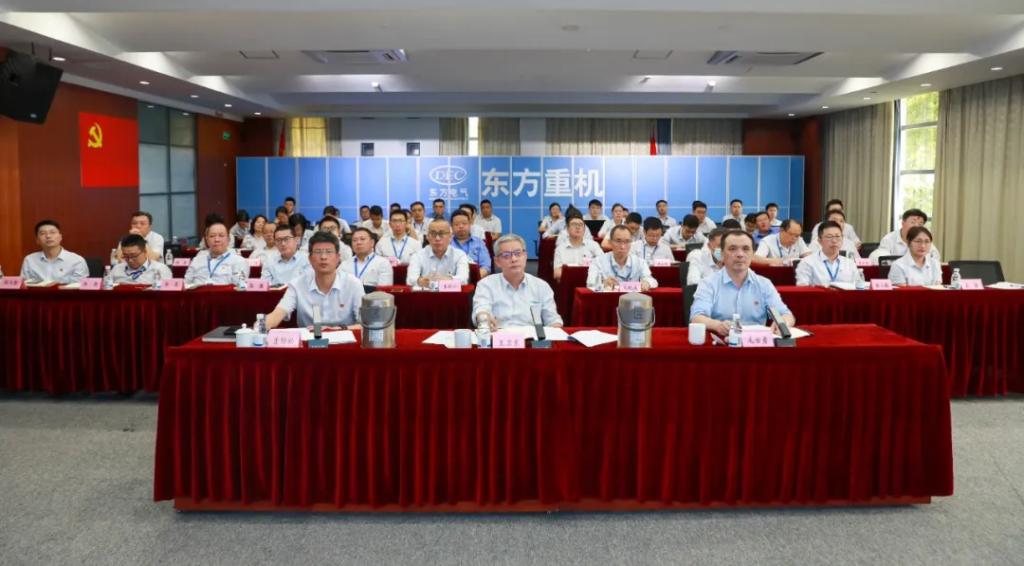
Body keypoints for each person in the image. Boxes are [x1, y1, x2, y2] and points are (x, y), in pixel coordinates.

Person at [690, 230, 795, 335]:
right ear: (722, 253)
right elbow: (696, 317)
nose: (740, 254)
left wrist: (783, 323)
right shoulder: (708, 283)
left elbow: (785, 314)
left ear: (753, 253)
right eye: (732, 249)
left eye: (746, 249)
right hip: (722, 341)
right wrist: (717, 325)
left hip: (756, 342)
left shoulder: (764, 284)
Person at [264, 232, 363, 330]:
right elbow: (277, 314)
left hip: (344, 337)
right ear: (310, 259)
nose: (323, 257)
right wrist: (262, 325)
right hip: (309, 338)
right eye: (318, 252)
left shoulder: (353, 284)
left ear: (338, 258)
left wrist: (338, 329)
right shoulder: (297, 284)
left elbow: (365, 325)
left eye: (329, 252)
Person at [473, 234, 563, 330]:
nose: (513, 259)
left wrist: (555, 327)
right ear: (497, 261)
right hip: (498, 335)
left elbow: (552, 319)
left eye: (518, 254)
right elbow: (481, 309)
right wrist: (484, 319)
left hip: (530, 337)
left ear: (525, 256)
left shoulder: (541, 286)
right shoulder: (486, 285)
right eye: (506, 255)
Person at [588, 225, 658, 291]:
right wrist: (602, 283)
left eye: (627, 241)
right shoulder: (598, 261)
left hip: (633, 298)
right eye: (618, 241)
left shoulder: (640, 262)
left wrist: (647, 283)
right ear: (610, 242)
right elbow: (590, 284)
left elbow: (652, 281)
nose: (622, 246)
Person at [20, 219, 88, 284]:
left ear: (60, 237)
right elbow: (24, 285)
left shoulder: (77, 261)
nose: (48, 236)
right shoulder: (29, 260)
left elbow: (78, 287)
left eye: (52, 232)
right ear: (37, 240)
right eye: (43, 233)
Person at [406, 219, 470, 286]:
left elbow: (463, 279)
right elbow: (410, 279)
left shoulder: (460, 255)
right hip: (426, 291)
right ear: (427, 237)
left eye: (441, 234)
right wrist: (420, 281)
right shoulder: (417, 255)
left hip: (450, 292)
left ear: (450, 237)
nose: (437, 238)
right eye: (433, 234)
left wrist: (445, 280)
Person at [184, 220, 249, 285]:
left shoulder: (239, 262)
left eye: (221, 236)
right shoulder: (197, 260)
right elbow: (185, 284)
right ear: (207, 240)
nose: (217, 240)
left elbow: (240, 287)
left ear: (228, 239)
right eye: (212, 236)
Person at [796, 221, 858, 286]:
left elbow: (859, 286)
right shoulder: (807, 262)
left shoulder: (850, 263)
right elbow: (803, 288)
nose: (834, 241)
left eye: (837, 236)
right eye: (829, 237)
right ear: (819, 241)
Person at [872, 208, 942, 263]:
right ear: (903, 223)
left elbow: (935, 257)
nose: (916, 226)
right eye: (913, 222)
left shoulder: (924, 240)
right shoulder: (889, 239)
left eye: (920, 224)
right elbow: (878, 257)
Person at [553, 214, 603, 281]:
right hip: (568, 283)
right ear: (567, 229)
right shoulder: (560, 248)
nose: (577, 227)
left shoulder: (593, 245)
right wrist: (582, 271)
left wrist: (571, 270)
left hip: (590, 283)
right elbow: (556, 274)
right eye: (574, 224)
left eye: (580, 225)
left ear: (584, 230)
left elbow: (604, 265)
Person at [450, 210, 491, 277]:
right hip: (453, 280)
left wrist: (474, 278)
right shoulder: (446, 243)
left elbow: (486, 266)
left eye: (464, 223)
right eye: (457, 224)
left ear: (470, 224)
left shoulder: (479, 242)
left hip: (476, 279)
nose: (461, 226)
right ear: (451, 226)